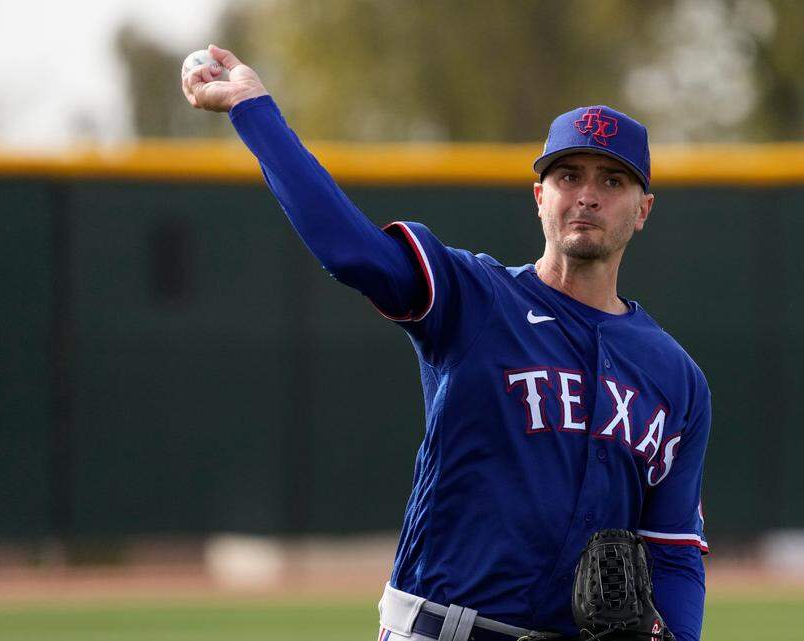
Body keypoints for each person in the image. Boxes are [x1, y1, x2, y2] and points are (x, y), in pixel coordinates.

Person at [182, 45, 711, 641]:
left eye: (612, 180)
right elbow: (347, 249)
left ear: (643, 209)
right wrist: (253, 109)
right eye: (568, 175)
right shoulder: (474, 297)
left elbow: (673, 552)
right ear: (540, 196)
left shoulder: (676, 378)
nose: (587, 194)